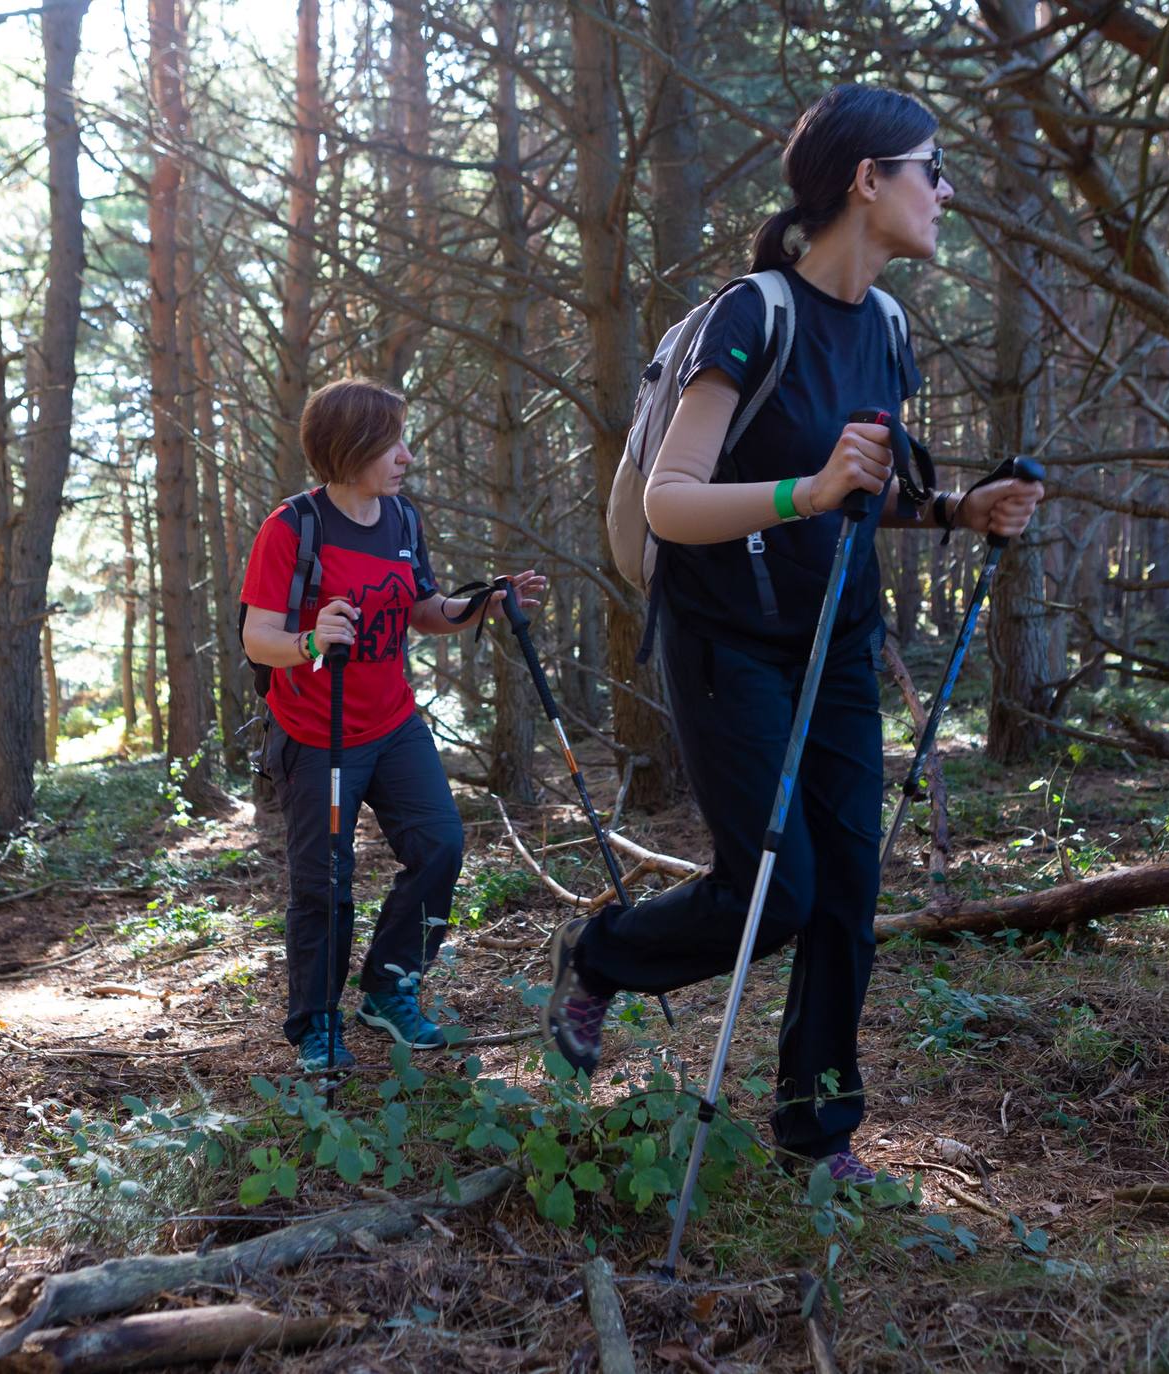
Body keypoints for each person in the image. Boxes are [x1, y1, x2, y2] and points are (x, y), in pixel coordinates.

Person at [541, 86, 1045, 1182]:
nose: (945, 189)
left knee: (847, 899)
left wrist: (960, 509)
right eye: (932, 166)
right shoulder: (751, 316)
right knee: (774, 891)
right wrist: (806, 495)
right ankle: (601, 954)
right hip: (726, 642)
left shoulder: (889, 330)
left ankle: (818, 1140)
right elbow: (674, 502)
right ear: (868, 180)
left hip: (838, 639)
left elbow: (862, 495)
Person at [240, 378, 547, 1073]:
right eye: (392, 443)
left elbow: (420, 609)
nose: (406, 457)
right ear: (350, 448)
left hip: (392, 722)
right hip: (319, 732)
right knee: (324, 884)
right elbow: (258, 637)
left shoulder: (400, 520)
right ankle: (316, 1020)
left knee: (439, 844)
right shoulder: (292, 527)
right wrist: (311, 641)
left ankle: (388, 985)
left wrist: (484, 605)